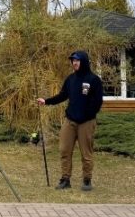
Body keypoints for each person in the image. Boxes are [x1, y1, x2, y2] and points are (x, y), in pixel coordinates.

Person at [37, 50, 103, 191]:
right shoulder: (70, 79)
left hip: (86, 122)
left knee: (86, 153)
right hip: (70, 121)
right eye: (73, 60)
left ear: (83, 61)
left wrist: (86, 115)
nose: (74, 63)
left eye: (77, 60)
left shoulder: (94, 80)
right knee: (64, 150)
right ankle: (65, 179)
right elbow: (62, 96)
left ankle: (87, 180)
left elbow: (97, 103)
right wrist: (46, 101)